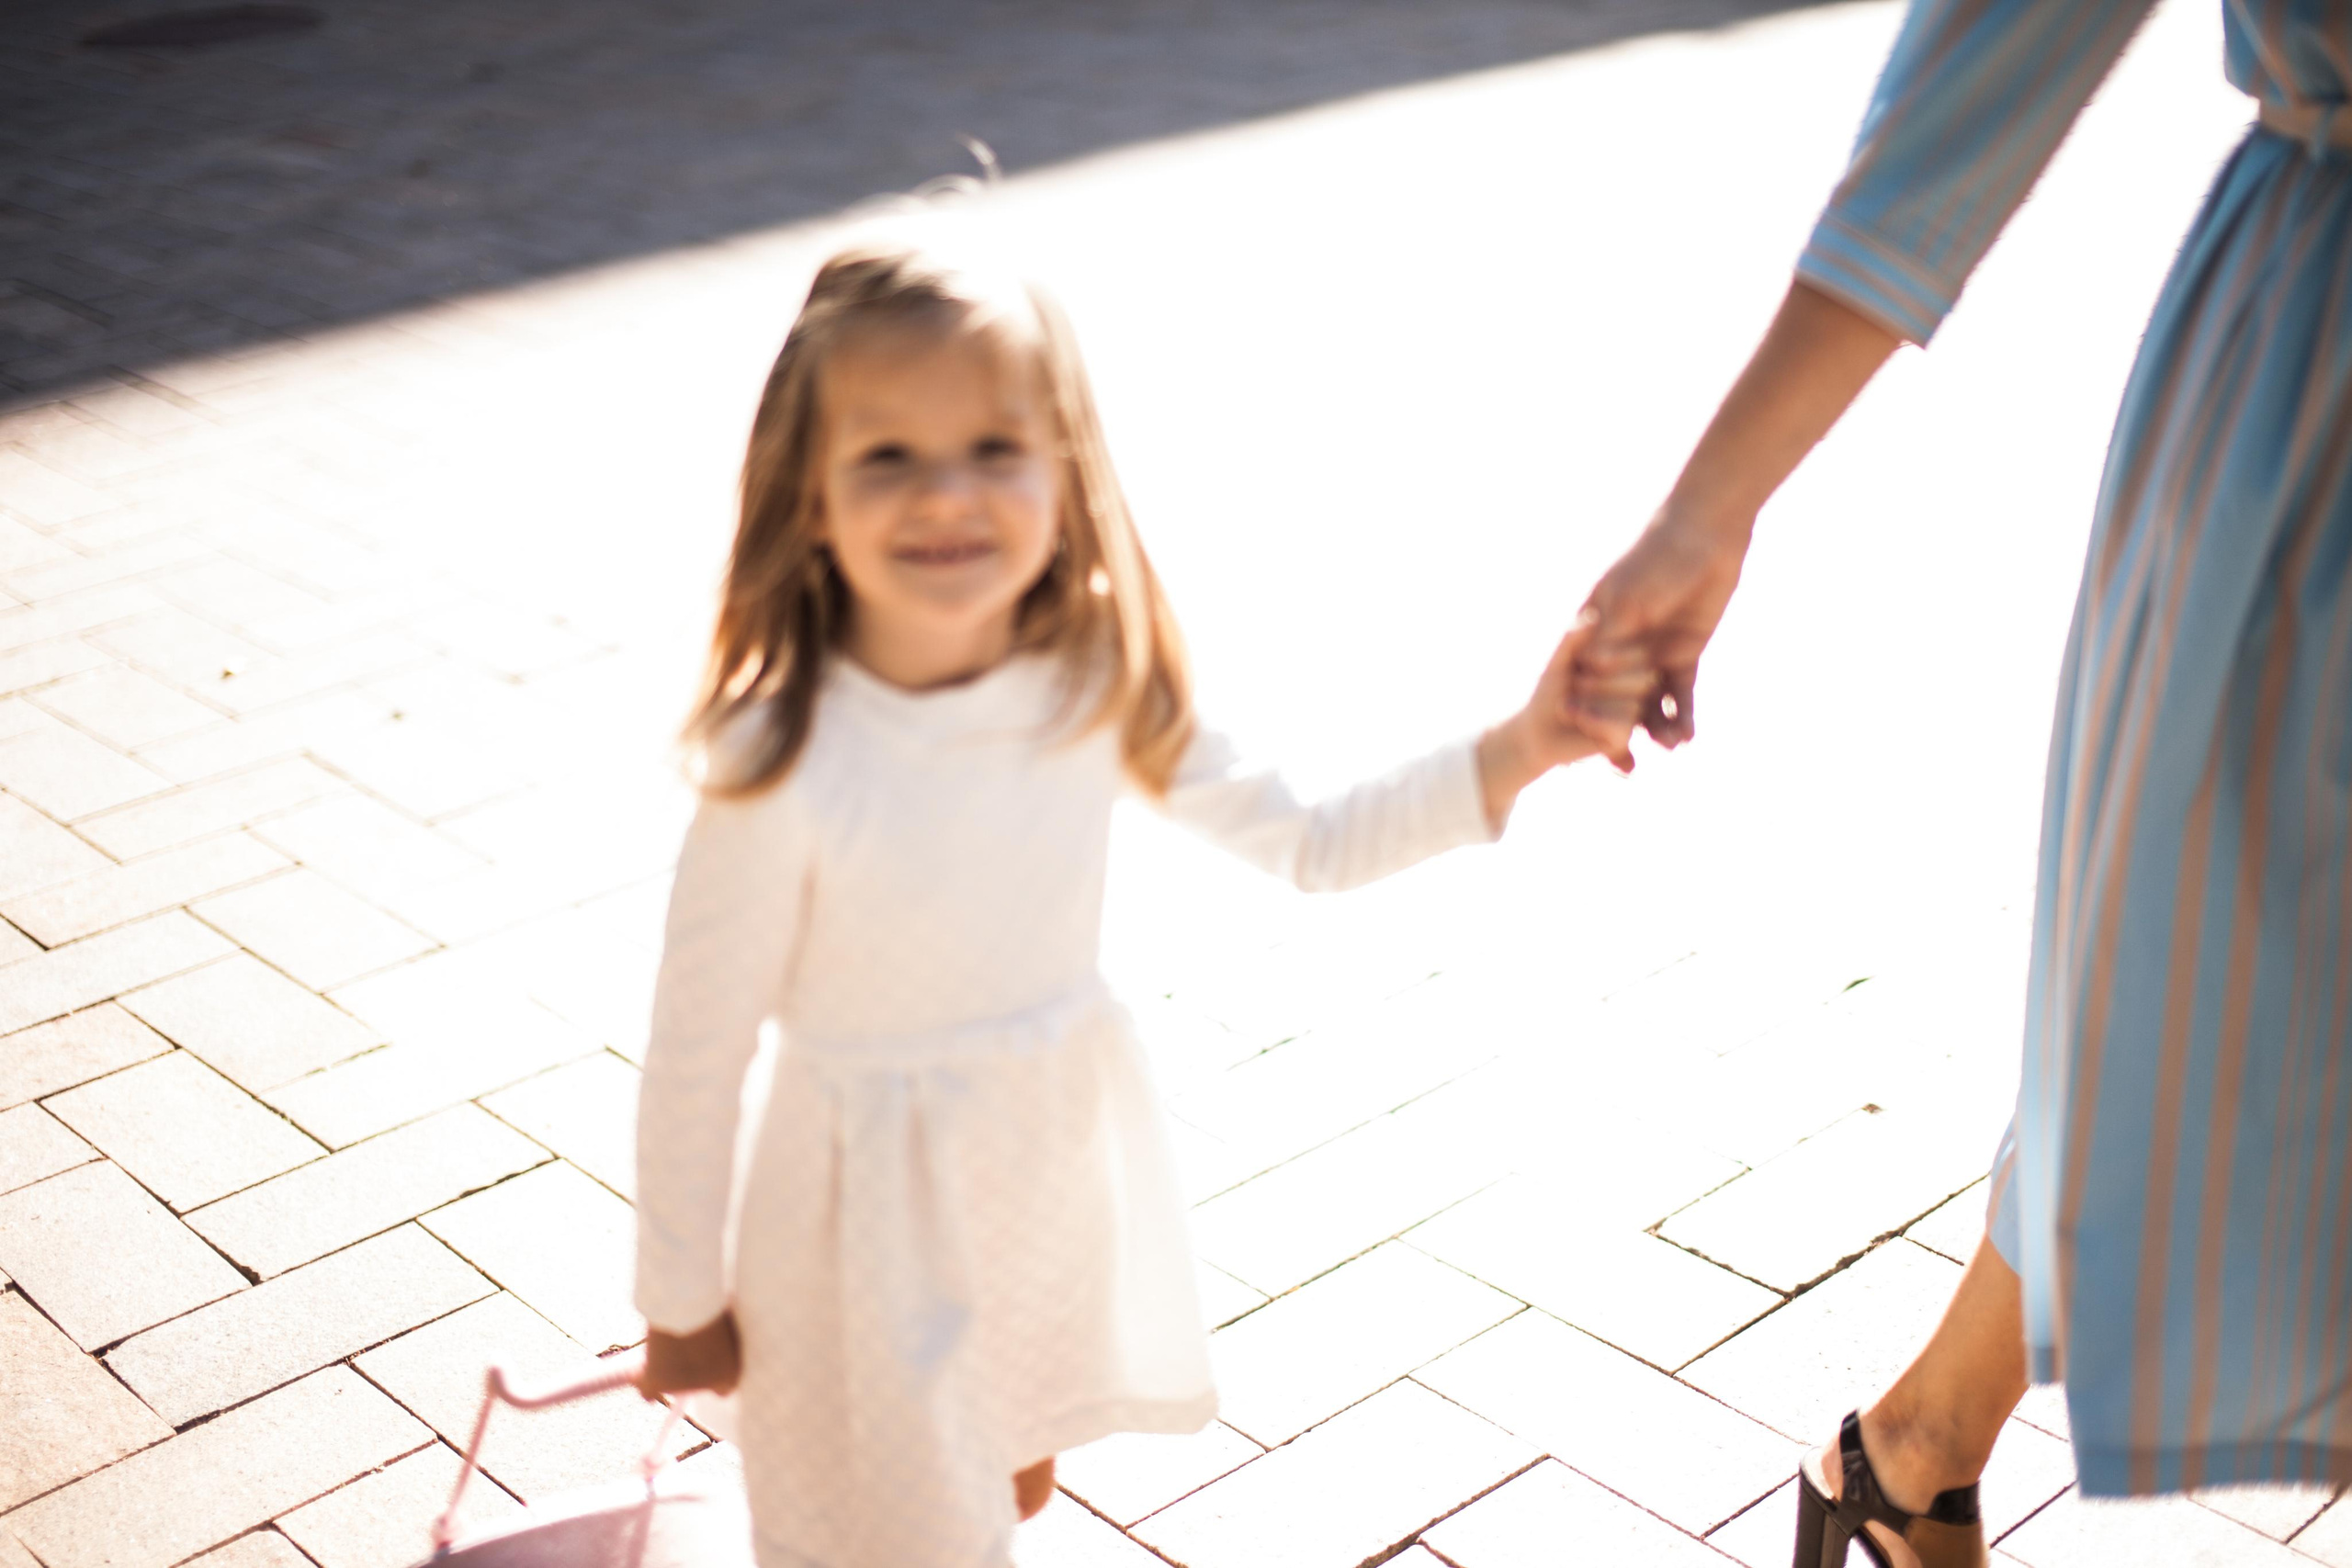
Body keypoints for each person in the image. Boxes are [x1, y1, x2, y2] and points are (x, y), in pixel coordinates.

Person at [628, 241, 1620, 1568]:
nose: (949, 497)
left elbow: (1312, 837)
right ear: (807, 495)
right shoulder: (785, 758)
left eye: (995, 448)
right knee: (891, 1537)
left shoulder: (1087, 682)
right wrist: (682, 1290)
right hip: (858, 1222)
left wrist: (1517, 746)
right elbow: (696, 1047)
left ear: (1066, 476)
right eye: (888, 458)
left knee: (1008, 1492)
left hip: (1035, 1186)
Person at [1565, 3, 2352, 1565]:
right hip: (2322, 413)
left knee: (2213, 1015)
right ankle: (1914, 1449)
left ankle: (1916, 1447)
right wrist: (1710, 510)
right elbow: (1963, 102)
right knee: (2214, 1000)